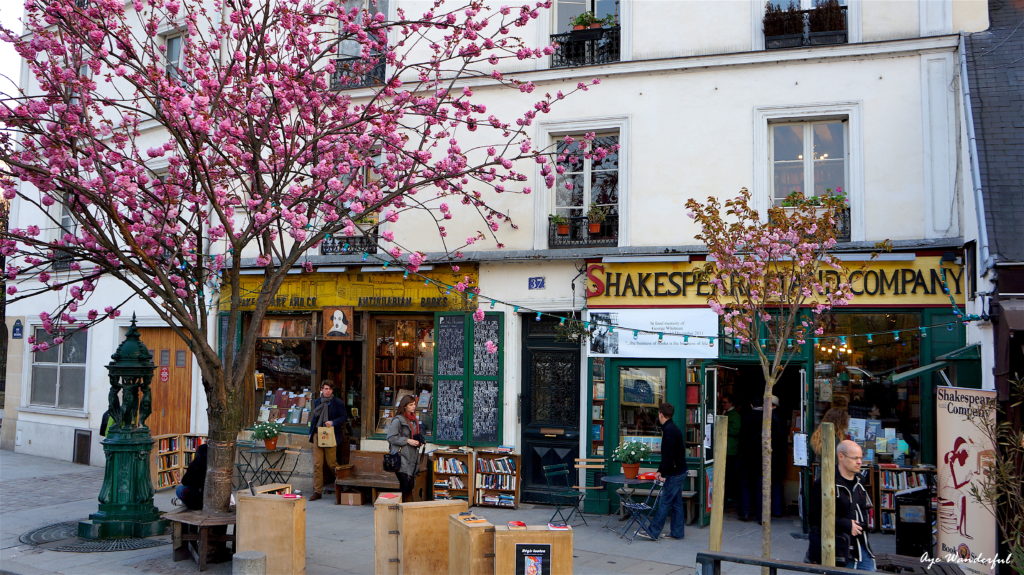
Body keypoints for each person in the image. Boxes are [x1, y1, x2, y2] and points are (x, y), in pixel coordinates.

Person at [807, 440, 875, 571]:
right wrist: (846, 524)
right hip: (838, 551)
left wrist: (863, 524)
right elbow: (815, 518)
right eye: (855, 458)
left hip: (862, 548)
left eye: (861, 458)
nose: (860, 462)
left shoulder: (860, 482)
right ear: (841, 456)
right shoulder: (824, 484)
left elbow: (863, 510)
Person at [638, 402, 687, 540]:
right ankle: (677, 533)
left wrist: (662, 473)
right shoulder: (672, 428)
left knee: (664, 502)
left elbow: (668, 455)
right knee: (676, 504)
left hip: (674, 473)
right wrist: (662, 470)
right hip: (679, 470)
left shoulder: (669, 430)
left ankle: (653, 532)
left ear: (661, 414)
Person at [308, 381, 347, 501]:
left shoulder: (338, 403)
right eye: (325, 389)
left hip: (330, 434)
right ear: (321, 389)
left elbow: (344, 417)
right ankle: (317, 491)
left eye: (329, 389)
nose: (327, 391)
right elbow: (314, 417)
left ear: (332, 391)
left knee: (332, 463)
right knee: (317, 464)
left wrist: (333, 422)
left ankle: (341, 487)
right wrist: (311, 432)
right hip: (317, 433)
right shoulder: (317, 402)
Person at [385, 394, 424, 502]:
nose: (413, 407)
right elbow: (391, 437)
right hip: (401, 457)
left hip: (412, 457)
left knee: (409, 486)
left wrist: (418, 441)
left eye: (414, 404)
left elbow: (413, 434)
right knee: (405, 485)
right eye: (411, 405)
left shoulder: (414, 420)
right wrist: (407, 440)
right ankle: (402, 509)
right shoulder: (398, 420)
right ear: (405, 406)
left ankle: (406, 510)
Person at [722, 394, 742, 508]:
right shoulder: (728, 413)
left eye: (725, 402)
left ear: (731, 403)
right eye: (722, 402)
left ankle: (729, 497)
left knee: (729, 475)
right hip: (727, 449)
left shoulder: (734, 415)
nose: (723, 404)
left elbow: (736, 430)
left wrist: (722, 428)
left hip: (731, 450)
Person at [175, 443, 207, 510]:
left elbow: (185, 481)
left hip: (197, 500)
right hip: (209, 497)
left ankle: (185, 504)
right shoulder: (214, 467)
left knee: (179, 489)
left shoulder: (195, 465)